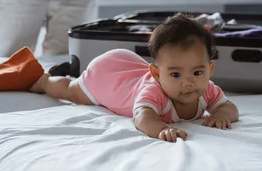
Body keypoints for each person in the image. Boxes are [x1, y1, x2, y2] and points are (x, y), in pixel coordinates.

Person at [29, 14, 240, 142]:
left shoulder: (207, 89)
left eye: (197, 72)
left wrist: (221, 114)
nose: (188, 82)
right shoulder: (154, 92)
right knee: (73, 91)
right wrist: (162, 130)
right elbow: (142, 118)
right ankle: (45, 81)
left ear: (209, 70)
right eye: (175, 74)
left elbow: (230, 108)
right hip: (109, 77)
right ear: (156, 74)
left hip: (131, 65)